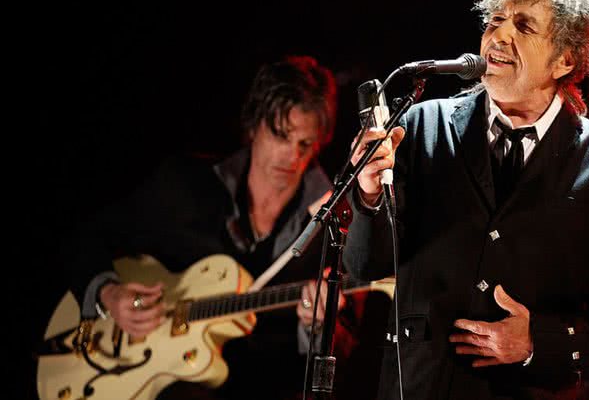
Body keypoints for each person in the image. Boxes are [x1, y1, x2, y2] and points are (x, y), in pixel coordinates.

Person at [344, 0, 589, 399]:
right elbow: (363, 266)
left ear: (565, 59)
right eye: (495, 20)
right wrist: (369, 194)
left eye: (523, 26)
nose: (498, 37)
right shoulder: (421, 125)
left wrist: (536, 342)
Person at [59, 55, 386, 400]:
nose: (291, 156)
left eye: (305, 143)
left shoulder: (337, 222)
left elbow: (345, 359)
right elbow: (85, 236)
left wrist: (318, 326)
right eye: (280, 134)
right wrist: (108, 294)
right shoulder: (183, 186)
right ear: (253, 124)